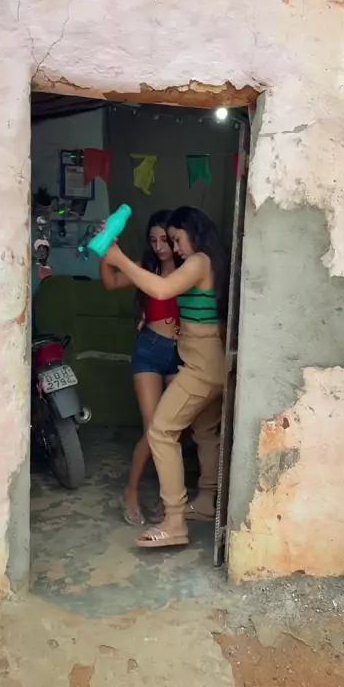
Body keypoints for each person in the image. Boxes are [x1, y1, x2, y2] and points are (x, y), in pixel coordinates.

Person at [102, 206, 229, 548]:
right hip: (211, 360)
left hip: (201, 366)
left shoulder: (198, 261)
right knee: (205, 433)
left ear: (193, 232)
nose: (174, 248)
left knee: (160, 432)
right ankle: (206, 501)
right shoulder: (211, 262)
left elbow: (161, 290)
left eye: (176, 239)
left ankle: (174, 521)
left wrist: (119, 258)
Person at [100, 210, 181, 526]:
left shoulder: (189, 268)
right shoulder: (145, 268)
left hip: (181, 352)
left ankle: (166, 496)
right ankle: (131, 491)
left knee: (171, 431)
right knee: (153, 430)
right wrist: (107, 250)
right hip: (149, 349)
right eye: (153, 240)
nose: (159, 247)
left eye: (165, 240)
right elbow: (110, 283)